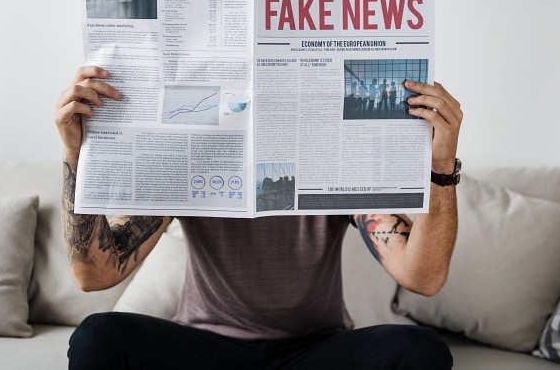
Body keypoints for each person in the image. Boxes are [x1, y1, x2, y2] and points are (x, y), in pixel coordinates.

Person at [54, 65, 463, 370]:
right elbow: (95, 275)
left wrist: (441, 164)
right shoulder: (188, 157)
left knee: (422, 351)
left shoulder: (334, 162)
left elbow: (423, 277)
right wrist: (77, 155)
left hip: (313, 352)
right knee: (98, 336)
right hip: (206, 349)